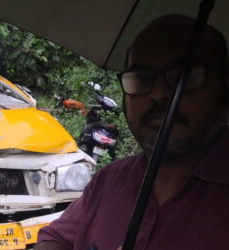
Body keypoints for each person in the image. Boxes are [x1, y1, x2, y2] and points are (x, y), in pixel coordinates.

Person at [35, 15, 229, 250]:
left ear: (224, 88)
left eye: (183, 76)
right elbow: (56, 239)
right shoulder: (109, 181)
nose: (158, 93)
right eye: (141, 78)